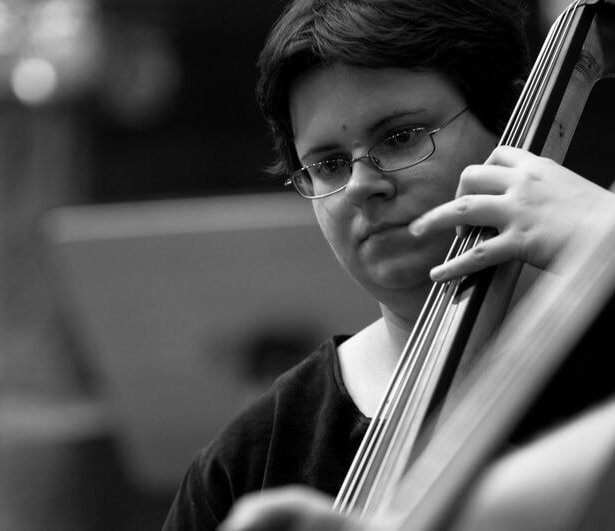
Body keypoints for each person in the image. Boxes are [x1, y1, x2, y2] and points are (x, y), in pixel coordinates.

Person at [162, 1, 615, 529]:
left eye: (401, 137)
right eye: (328, 164)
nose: (359, 186)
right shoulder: (242, 469)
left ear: (509, 121)